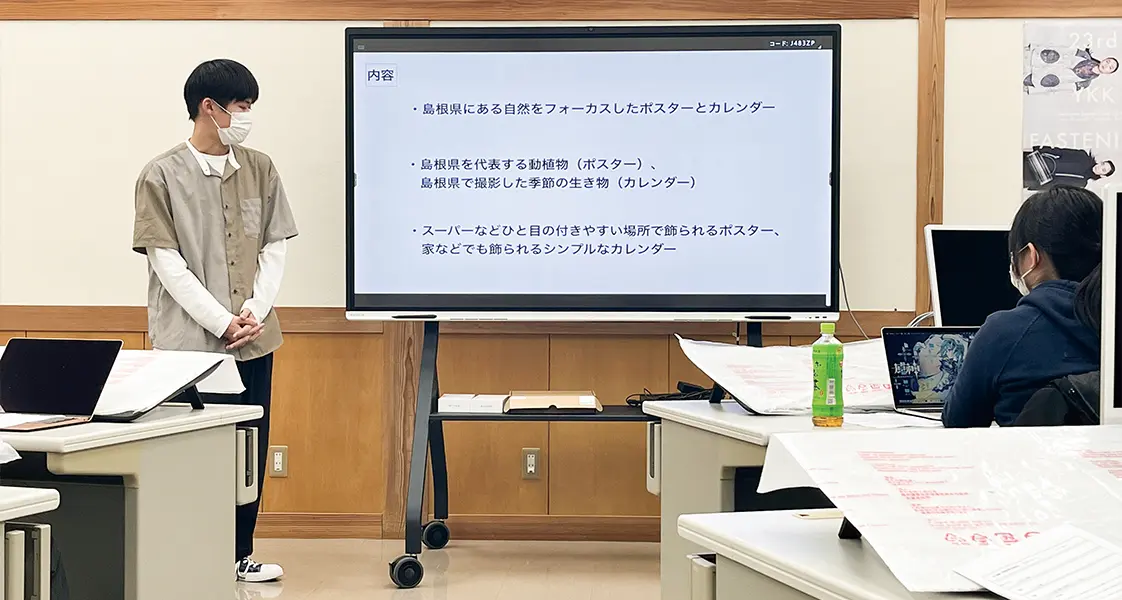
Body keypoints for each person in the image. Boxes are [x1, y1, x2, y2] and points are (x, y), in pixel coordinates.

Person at [131, 59, 298, 582]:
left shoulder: (261, 168)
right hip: (189, 347)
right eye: (241, 107)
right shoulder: (160, 175)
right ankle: (190, 557)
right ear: (210, 107)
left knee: (250, 445)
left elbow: (273, 246)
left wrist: (254, 312)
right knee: (192, 450)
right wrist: (222, 321)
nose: (247, 117)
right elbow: (167, 263)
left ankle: (240, 553)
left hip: (254, 338)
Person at [941, 185, 1101, 428]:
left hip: (1031, 453)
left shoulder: (1003, 332)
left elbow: (958, 422)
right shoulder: (1110, 325)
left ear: (1031, 256)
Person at [1024, 45, 1119, 93]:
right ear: (1104, 59)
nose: (1106, 65)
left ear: (1108, 73)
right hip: (1041, 59)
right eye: (1107, 61)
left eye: (1110, 68)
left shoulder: (1085, 83)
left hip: (1043, 77)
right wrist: (1034, 47)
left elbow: (1059, 88)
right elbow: (1061, 49)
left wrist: (1033, 90)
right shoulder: (1084, 55)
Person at [1023, 145, 1114, 190]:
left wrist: (1036, 187)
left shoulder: (1082, 182)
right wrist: (1040, 150)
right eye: (1102, 164)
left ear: (1102, 175)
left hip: (1036, 179)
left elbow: (1057, 186)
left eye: (1103, 170)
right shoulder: (1083, 156)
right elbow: (1060, 151)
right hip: (1038, 160)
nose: (1099, 167)